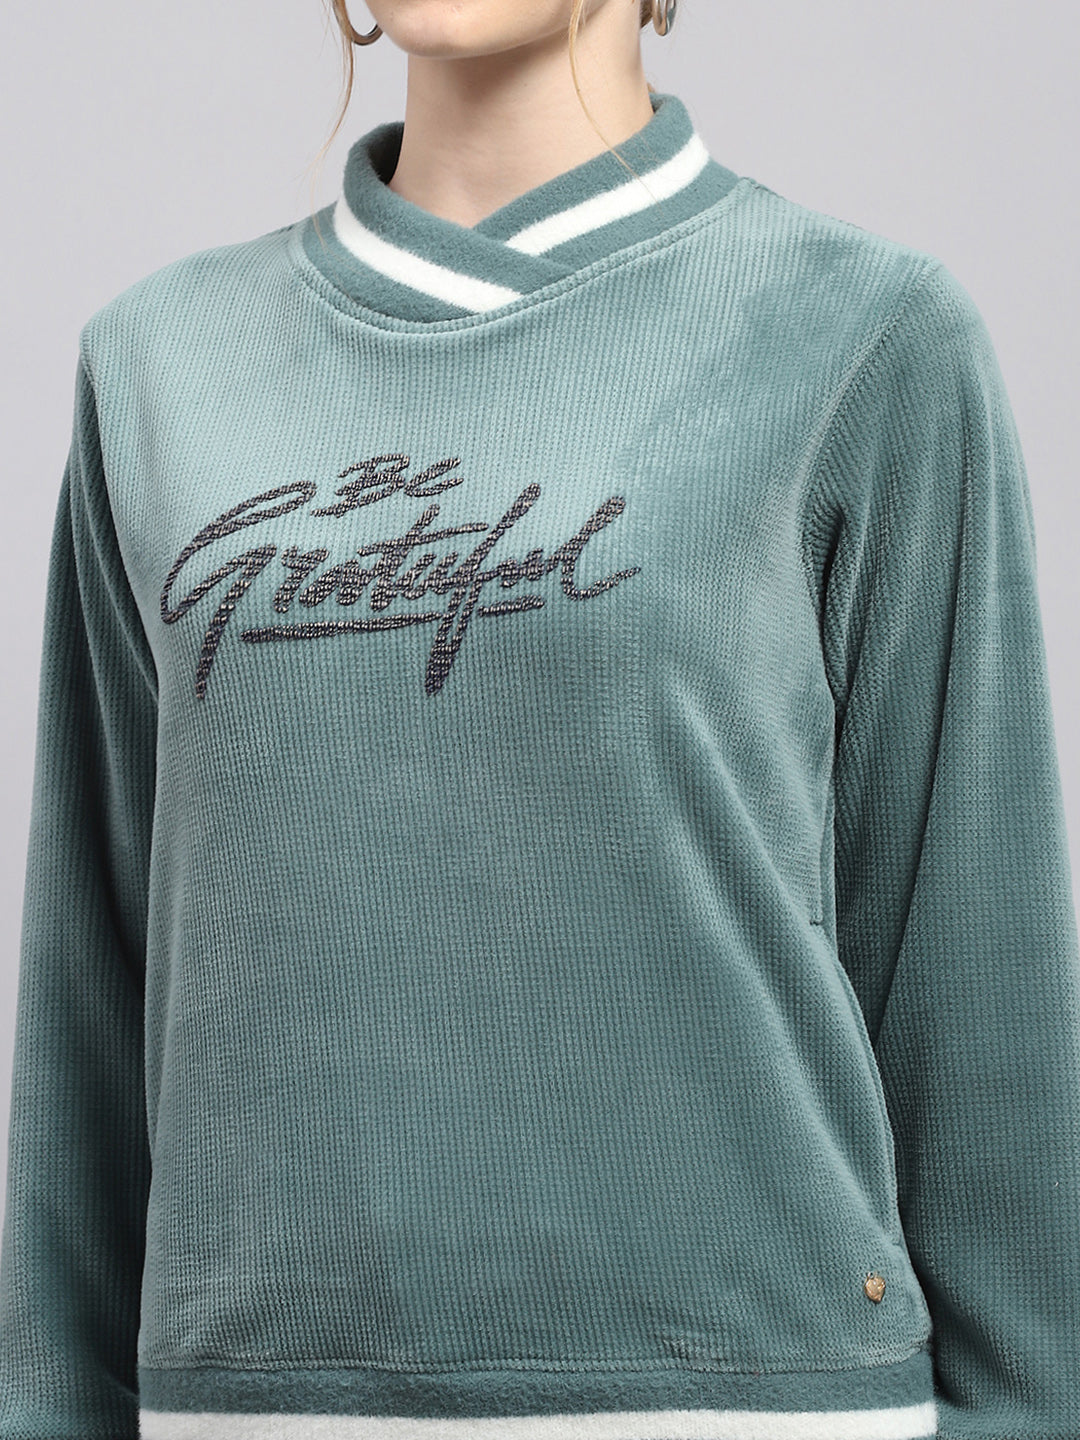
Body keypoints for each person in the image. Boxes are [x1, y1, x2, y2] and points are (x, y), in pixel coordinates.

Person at [1, 0, 1078, 1436]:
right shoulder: (159, 363)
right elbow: (89, 991)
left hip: (764, 1394)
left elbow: (978, 976)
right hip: (257, 1400)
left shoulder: (866, 337)